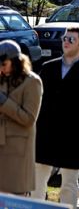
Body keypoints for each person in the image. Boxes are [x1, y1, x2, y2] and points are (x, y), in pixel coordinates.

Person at [33, 27, 79, 209]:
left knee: (69, 183)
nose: (66, 41)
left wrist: (74, 125)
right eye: (65, 38)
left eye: (71, 39)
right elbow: (37, 99)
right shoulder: (48, 68)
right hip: (45, 133)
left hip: (70, 135)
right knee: (38, 181)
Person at [0, 40, 43, 196]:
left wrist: (4, 102)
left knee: (14, 202)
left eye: (4, 64)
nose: (1, 69)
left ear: (16, 61)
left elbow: (29, 119)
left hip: (18, 152)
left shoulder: (32, 82)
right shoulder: (2, 79)